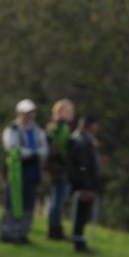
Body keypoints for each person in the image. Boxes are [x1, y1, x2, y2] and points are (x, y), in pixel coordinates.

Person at [0, 99, 47, 244]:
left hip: (32, 172)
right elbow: (13, 148)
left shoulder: (37, 131)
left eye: (30, 113)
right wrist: (31, 153)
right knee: (12, 202)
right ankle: (7, 233)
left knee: (28, 204)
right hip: (16, 172)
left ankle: (22, 233)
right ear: (19, 113)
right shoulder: (12, 129)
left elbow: (44, 149)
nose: (28, 116)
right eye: (25, 113)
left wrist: (34, 153)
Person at [66, 115, 102, 255]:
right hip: (83, 185)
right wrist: (87, 187)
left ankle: (80, 241)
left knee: (83, 214)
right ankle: (78, 243)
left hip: (86, 183)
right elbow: (83, 167)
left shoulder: (87, 140)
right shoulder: (81, 142)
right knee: (80, 215)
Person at [44, 99, 75, 240]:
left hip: (61, 168)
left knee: (58, 199)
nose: (70, 114)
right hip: (59, 169)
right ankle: (54, 230)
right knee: (57, 200)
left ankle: (55, 228)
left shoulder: (64, 127)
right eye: (67, 111)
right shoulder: (58, 127)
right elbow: (60, 148)